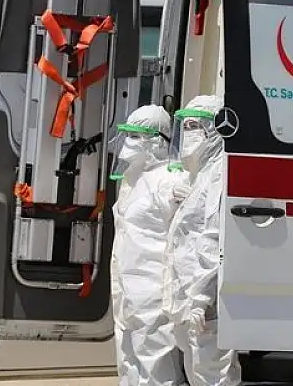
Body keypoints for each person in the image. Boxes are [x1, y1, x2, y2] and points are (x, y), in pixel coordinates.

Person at [109, 104, 191, 386]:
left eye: (136, 136)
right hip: (126, 288)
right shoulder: (132, 180)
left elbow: (186, 236)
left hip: (153, 289)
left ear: (157, 141)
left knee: (155, 362)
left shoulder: (170, 180)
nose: (128, 143)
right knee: (128, 359)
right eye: (128, 135)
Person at [163, 95, 241, 386]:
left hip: (205, 299)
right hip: (190, 296)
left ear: (215, 129)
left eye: (195, 126)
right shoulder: (201, 175)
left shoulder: (220, 172)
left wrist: (201, 299)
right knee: (198, 372)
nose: (188, 133)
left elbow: (214, 238)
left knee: (212, 375)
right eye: (185, 126)